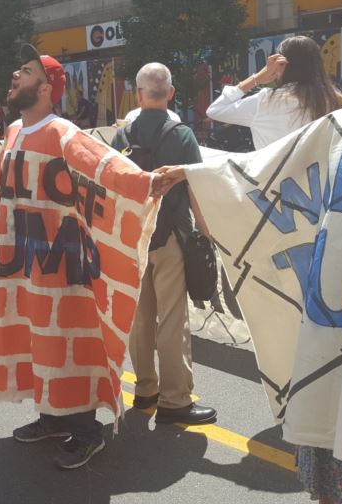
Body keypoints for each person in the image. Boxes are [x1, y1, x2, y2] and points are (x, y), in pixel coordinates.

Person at [155, 4, 342, 504]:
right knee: (326, 439)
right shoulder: (339, 121)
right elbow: (265, 168)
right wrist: (193, 174)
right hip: (329, 295)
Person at [0, 44, 162, 470]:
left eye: (26, 71)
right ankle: (52, 415)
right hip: (27, 261)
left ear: (47, 89)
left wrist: (148, 184)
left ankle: (87, 430)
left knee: (71, 342)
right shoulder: (13, 131)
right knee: (40, 340)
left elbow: (105, 168)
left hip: (63, 265)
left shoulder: (62, 132)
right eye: (18, 69)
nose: (16, 75)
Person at [110, 63, 215, 425]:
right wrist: (205, 234)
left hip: (132, 240)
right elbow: (197, 189)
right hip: (170, 236)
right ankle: (175, 400)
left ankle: (145, 390)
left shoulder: (122, 137)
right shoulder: (181, 134)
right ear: (170, 93)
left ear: (138, 95)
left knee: (139, 319)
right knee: (171, 320)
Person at [206, 36, 342, 150]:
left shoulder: (266, 101)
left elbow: (215, 110)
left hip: (275, 185)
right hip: (324, 185)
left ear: (281, 64)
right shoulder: (339, 102)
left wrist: (256, 78)